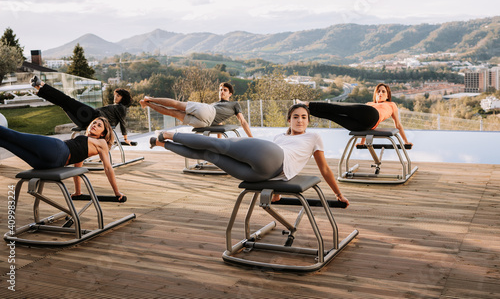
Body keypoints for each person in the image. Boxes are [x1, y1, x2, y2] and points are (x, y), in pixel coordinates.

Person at [150, 104, 349, 205]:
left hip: (266, 172)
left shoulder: (314, 137)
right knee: (213, 150)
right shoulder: (279, 137)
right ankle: (165, 139)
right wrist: (277, 192)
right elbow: (281, 160)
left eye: (304, 117)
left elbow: (323, 168)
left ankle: (165, 139)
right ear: (289, 120)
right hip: (269, 161)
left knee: (213, 150)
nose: (300, 121)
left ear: (308, 121)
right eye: (295, 117)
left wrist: (338, 194)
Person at [0, 117, 126, 201]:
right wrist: (78, 192)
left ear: (103, 133)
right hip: (52, 162)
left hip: (57, 150)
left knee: (12, 136)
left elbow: (108, 168)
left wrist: (117, 192)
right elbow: (78, 167)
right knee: (6, 142)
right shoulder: (86, 143)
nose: (95, 125)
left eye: (99, 125)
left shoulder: (101, 143)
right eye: (94, 123)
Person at [30, 75, 134, 145]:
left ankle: (42, 84)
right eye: (115, 95)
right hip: (88, 121)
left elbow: (122, 122)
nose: (115, 98)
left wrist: (125, 139)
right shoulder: (115, 107)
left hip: (93, 117)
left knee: (67, 100)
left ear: (123, 98)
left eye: (118, 96)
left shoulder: (122, 108)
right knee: (63, 104)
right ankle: (39, 88)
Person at [299, 83, 411, 145]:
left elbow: (398, 124)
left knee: (337, 112)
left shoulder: (391, 104)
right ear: (375, 94)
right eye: (378, 91)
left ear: (387, 95)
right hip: (364, 124)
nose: (380, 93)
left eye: (383, 91)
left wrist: (405, 141)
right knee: (334, 113)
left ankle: (307, 105)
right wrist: (362, 143)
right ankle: (306, 108)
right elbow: (363, 120)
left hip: (373, 117)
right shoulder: (369, 103)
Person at [140, 82, 253, 137]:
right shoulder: (214, 104)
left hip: (206, 120)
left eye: (225, 90)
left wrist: (251, 138)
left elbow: (242, 121)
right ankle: (148, 102)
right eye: (220, 90)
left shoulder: (234, 104)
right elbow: (220, 123)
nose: (221, 92)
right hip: (207, 118)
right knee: (173, 111)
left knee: (175, 108)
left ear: (230, 94)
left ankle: (148, 101)